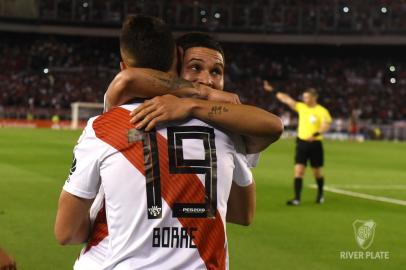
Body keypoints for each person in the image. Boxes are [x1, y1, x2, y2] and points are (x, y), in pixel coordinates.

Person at [55, 16, 282, 270]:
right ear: (174, 64)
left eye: (216, 72)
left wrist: (191, 103)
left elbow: (66, 232)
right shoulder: (227, 132)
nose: (206, 80)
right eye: (195, 68)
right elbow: (243, 213)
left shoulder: (106, 126)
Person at [263, 80, 332, 205]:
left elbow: (325, 125)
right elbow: (286, 99)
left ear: (314, 97)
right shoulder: (301, 107)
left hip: (315, 144)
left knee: (317, 172)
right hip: (302, 144)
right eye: (304, 97)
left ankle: (320, 194)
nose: (304, 99)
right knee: (299, 171)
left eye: (307, 97)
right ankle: (297, 198)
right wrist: (272, 90)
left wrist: (316, 134)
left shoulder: (322, 111)